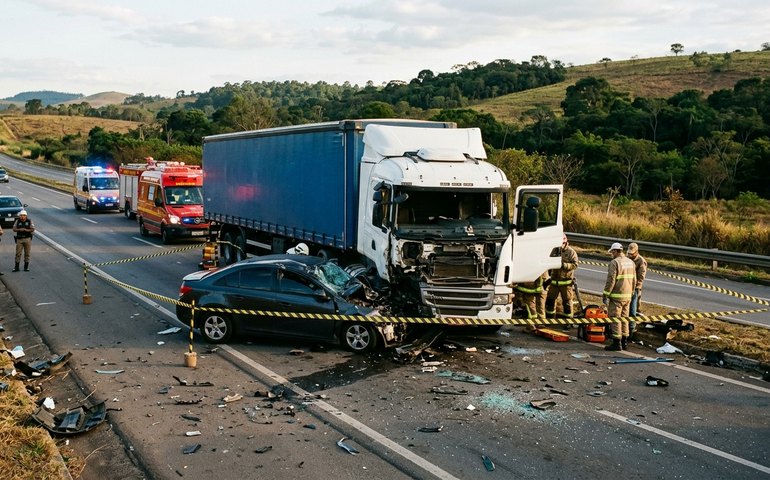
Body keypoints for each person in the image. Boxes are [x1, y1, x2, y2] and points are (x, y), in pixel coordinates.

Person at [603, 242, 636, 351]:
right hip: (627, 296)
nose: (611, 253)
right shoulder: (631, 262)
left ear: (616, 251)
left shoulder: (615, 262)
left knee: (615, 318)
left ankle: (617, 343)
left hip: (617, 296)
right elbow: (634, 280)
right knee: (624, 318)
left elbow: (611, 280)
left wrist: (606, 294)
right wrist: (631, 292)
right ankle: (624, 341)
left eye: (612, 251)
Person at [546, 234, 579, 321]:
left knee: (567, 303)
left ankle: (568, 322)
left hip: (566, 283)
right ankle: (550, 319)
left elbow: (575, 265)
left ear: (565, 242)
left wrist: (564, 265)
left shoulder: (571, 252)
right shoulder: (555, 250)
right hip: (554, 282)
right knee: (550, 301)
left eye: (561, 244)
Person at [627, 242, 648, 335]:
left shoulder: (641, 261)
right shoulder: (627, 259)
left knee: (633, 309)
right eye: (629, 253)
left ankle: (632, 328)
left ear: (636, 252)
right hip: (626, 287)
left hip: (635, 288)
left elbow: (641, 277)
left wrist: (634, 288)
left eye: (632, 253)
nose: (630, 255)